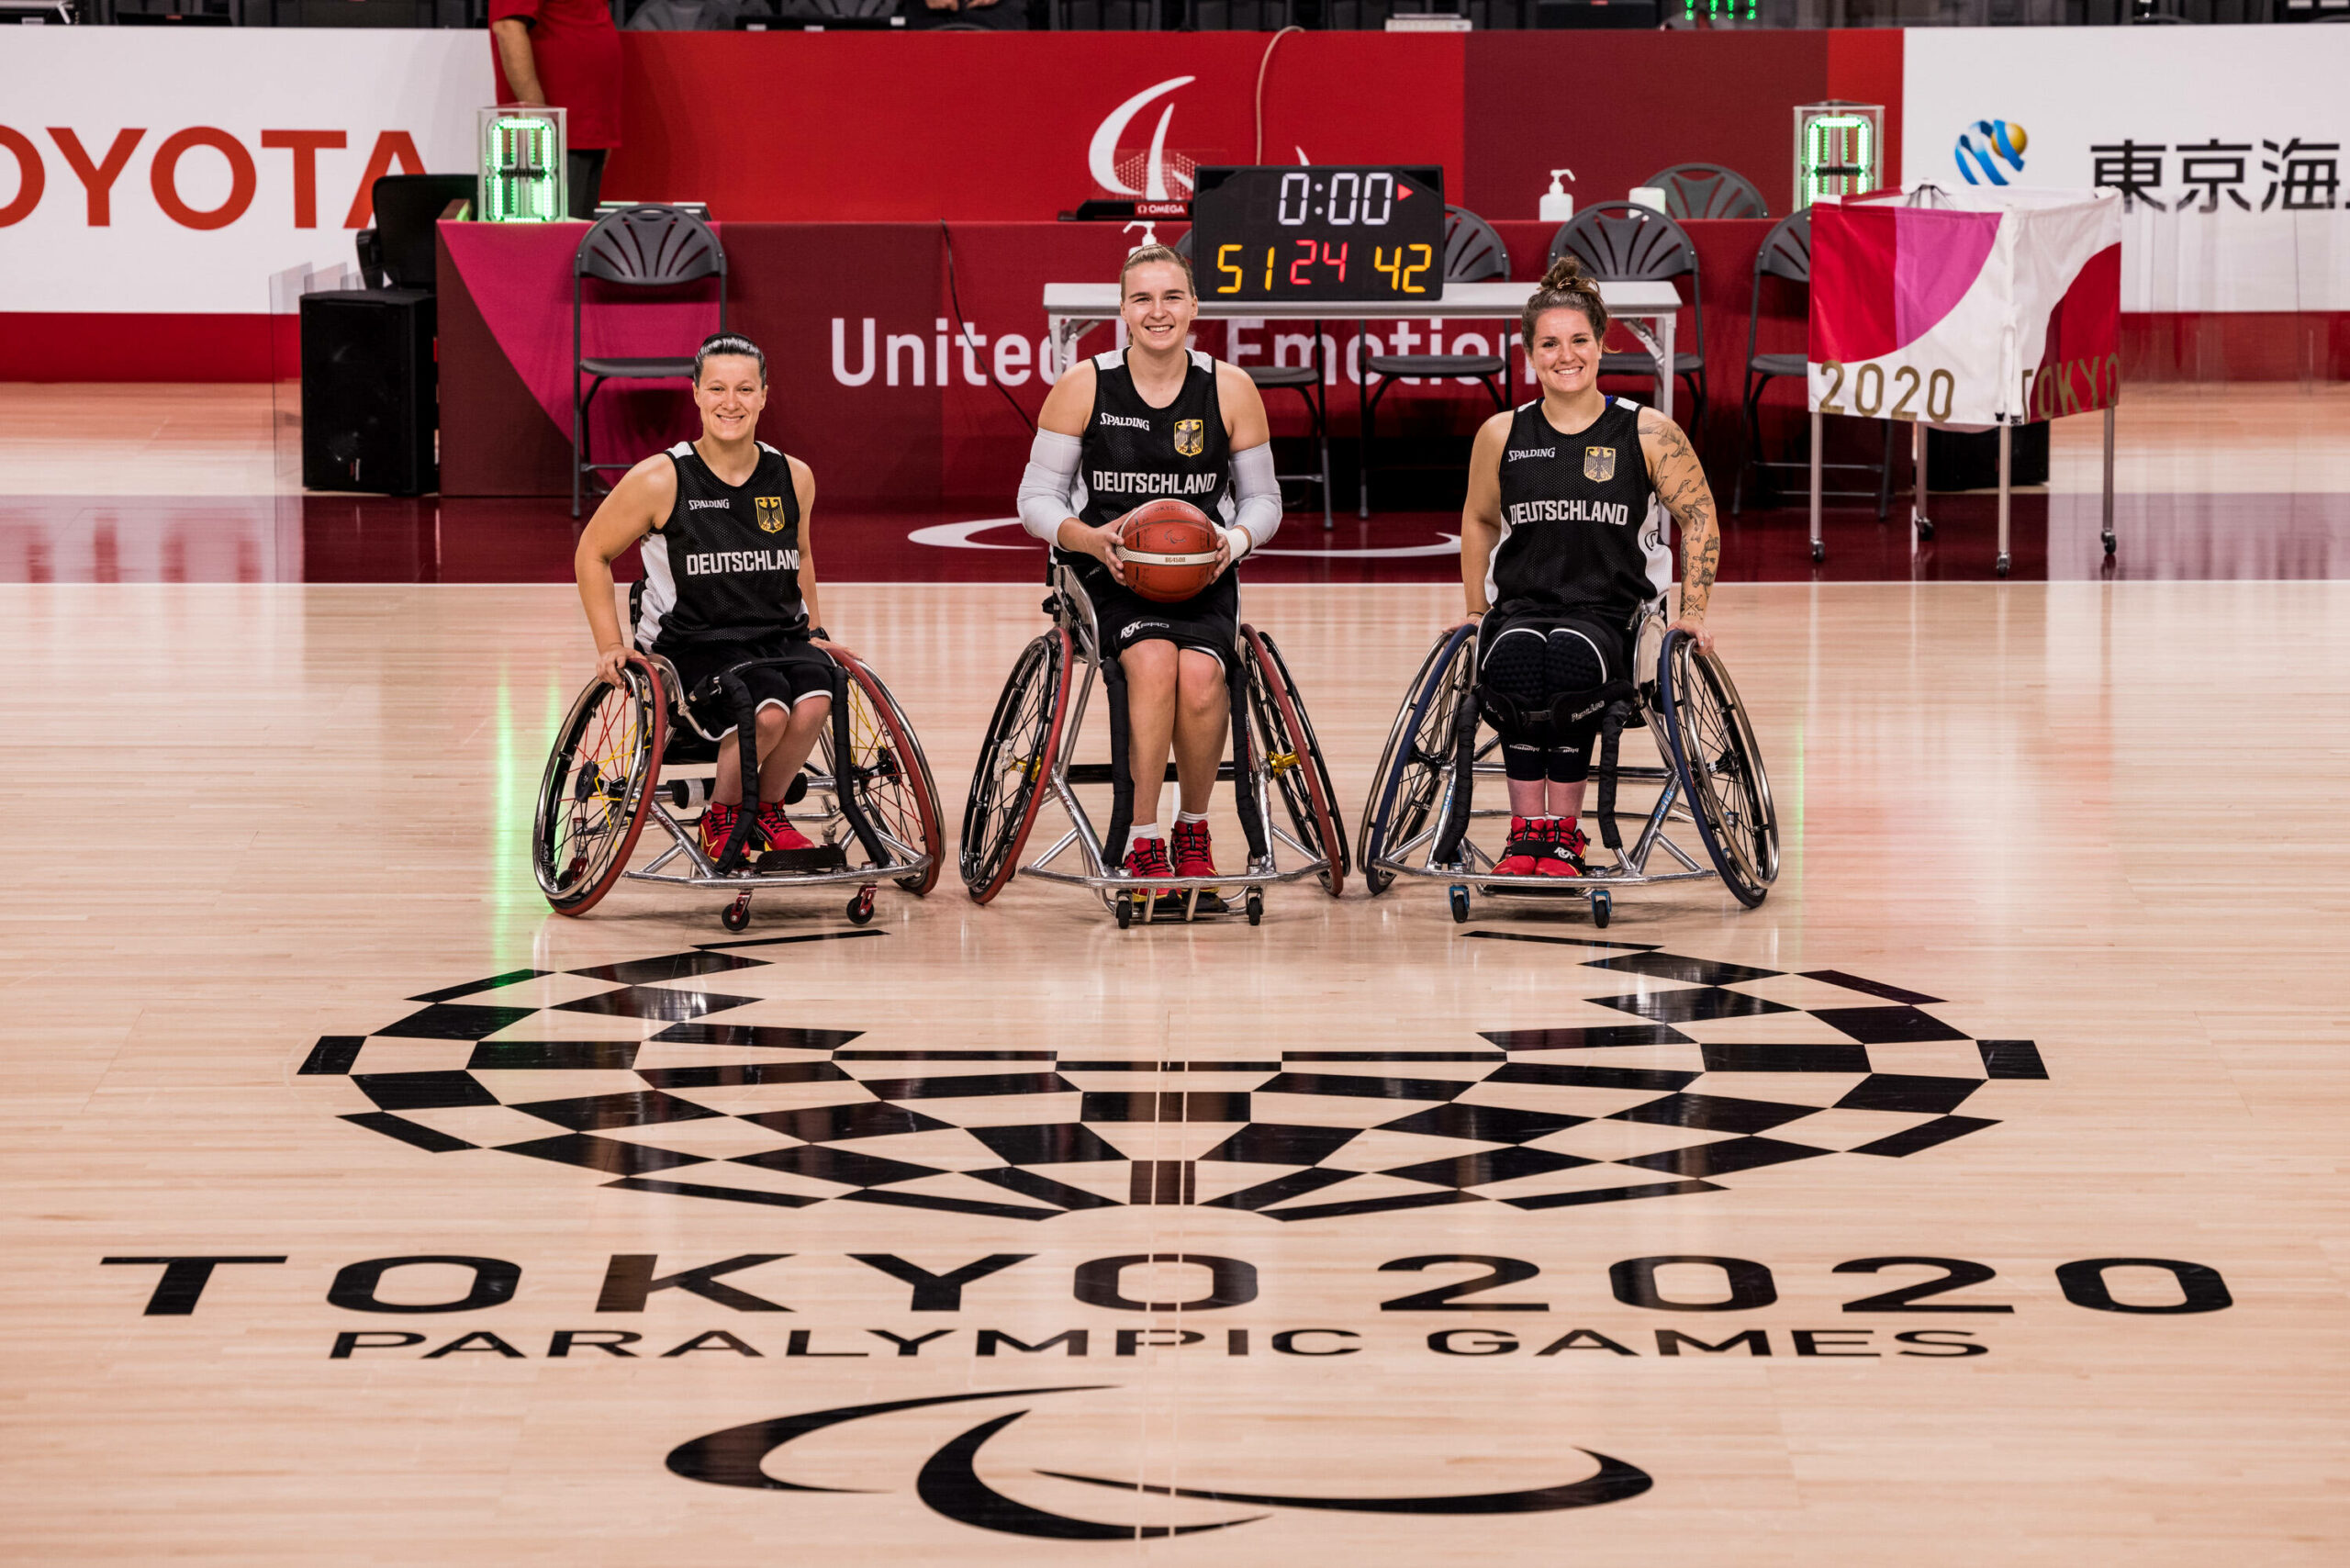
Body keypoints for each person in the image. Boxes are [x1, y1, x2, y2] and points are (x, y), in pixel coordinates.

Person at [1016, 243, 1281, 911]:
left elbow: (1264, 502)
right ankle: (1141, 837)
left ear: (1193, 307)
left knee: (1202, 676)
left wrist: (1234, 539)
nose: (1157, 312)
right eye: (1142, 299)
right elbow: (1036, 500)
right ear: (1123, 310)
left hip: (1202, 566)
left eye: (1171, 298)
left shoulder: (1230, 388)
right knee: (1154, 660)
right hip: (1110, 563)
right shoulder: (1085, 385)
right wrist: (1089, 538)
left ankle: (1193, 829)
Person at [1455, 254, 1722, 879]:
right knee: (1517, 655)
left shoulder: (1647, 431)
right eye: (1549, 343)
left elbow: (1701, 518)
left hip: (1612, 613)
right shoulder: (1503, 433)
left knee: (1574, 660)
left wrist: (1693, 615)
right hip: (1523, 606)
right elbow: (1478, 521)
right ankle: (1526, 838)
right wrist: (1473, 611)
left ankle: (1563, 836)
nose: (1564, 355)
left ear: (1602, 346)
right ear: (1529, 355)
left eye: (1578, 340)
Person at [574, 332, 851, 868]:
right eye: (718, 389)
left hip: (774, 634)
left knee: (820, 693)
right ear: (696, 393)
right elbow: (592, 553)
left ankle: (768, 810)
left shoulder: (793, 475)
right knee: (765, 708)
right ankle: (722, 816)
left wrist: (815, 631)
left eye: (745, 389)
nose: (731, 402)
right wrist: (609, 643)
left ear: (765, 395)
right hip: (692, 640)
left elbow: (802, 556)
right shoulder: (662, 477)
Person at [489, 0, 621, 219]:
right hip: (551, 136)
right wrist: (538, 120)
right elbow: (508, 27)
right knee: (547, 245)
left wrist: (601, 127)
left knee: (574, 243)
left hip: (585, 131)